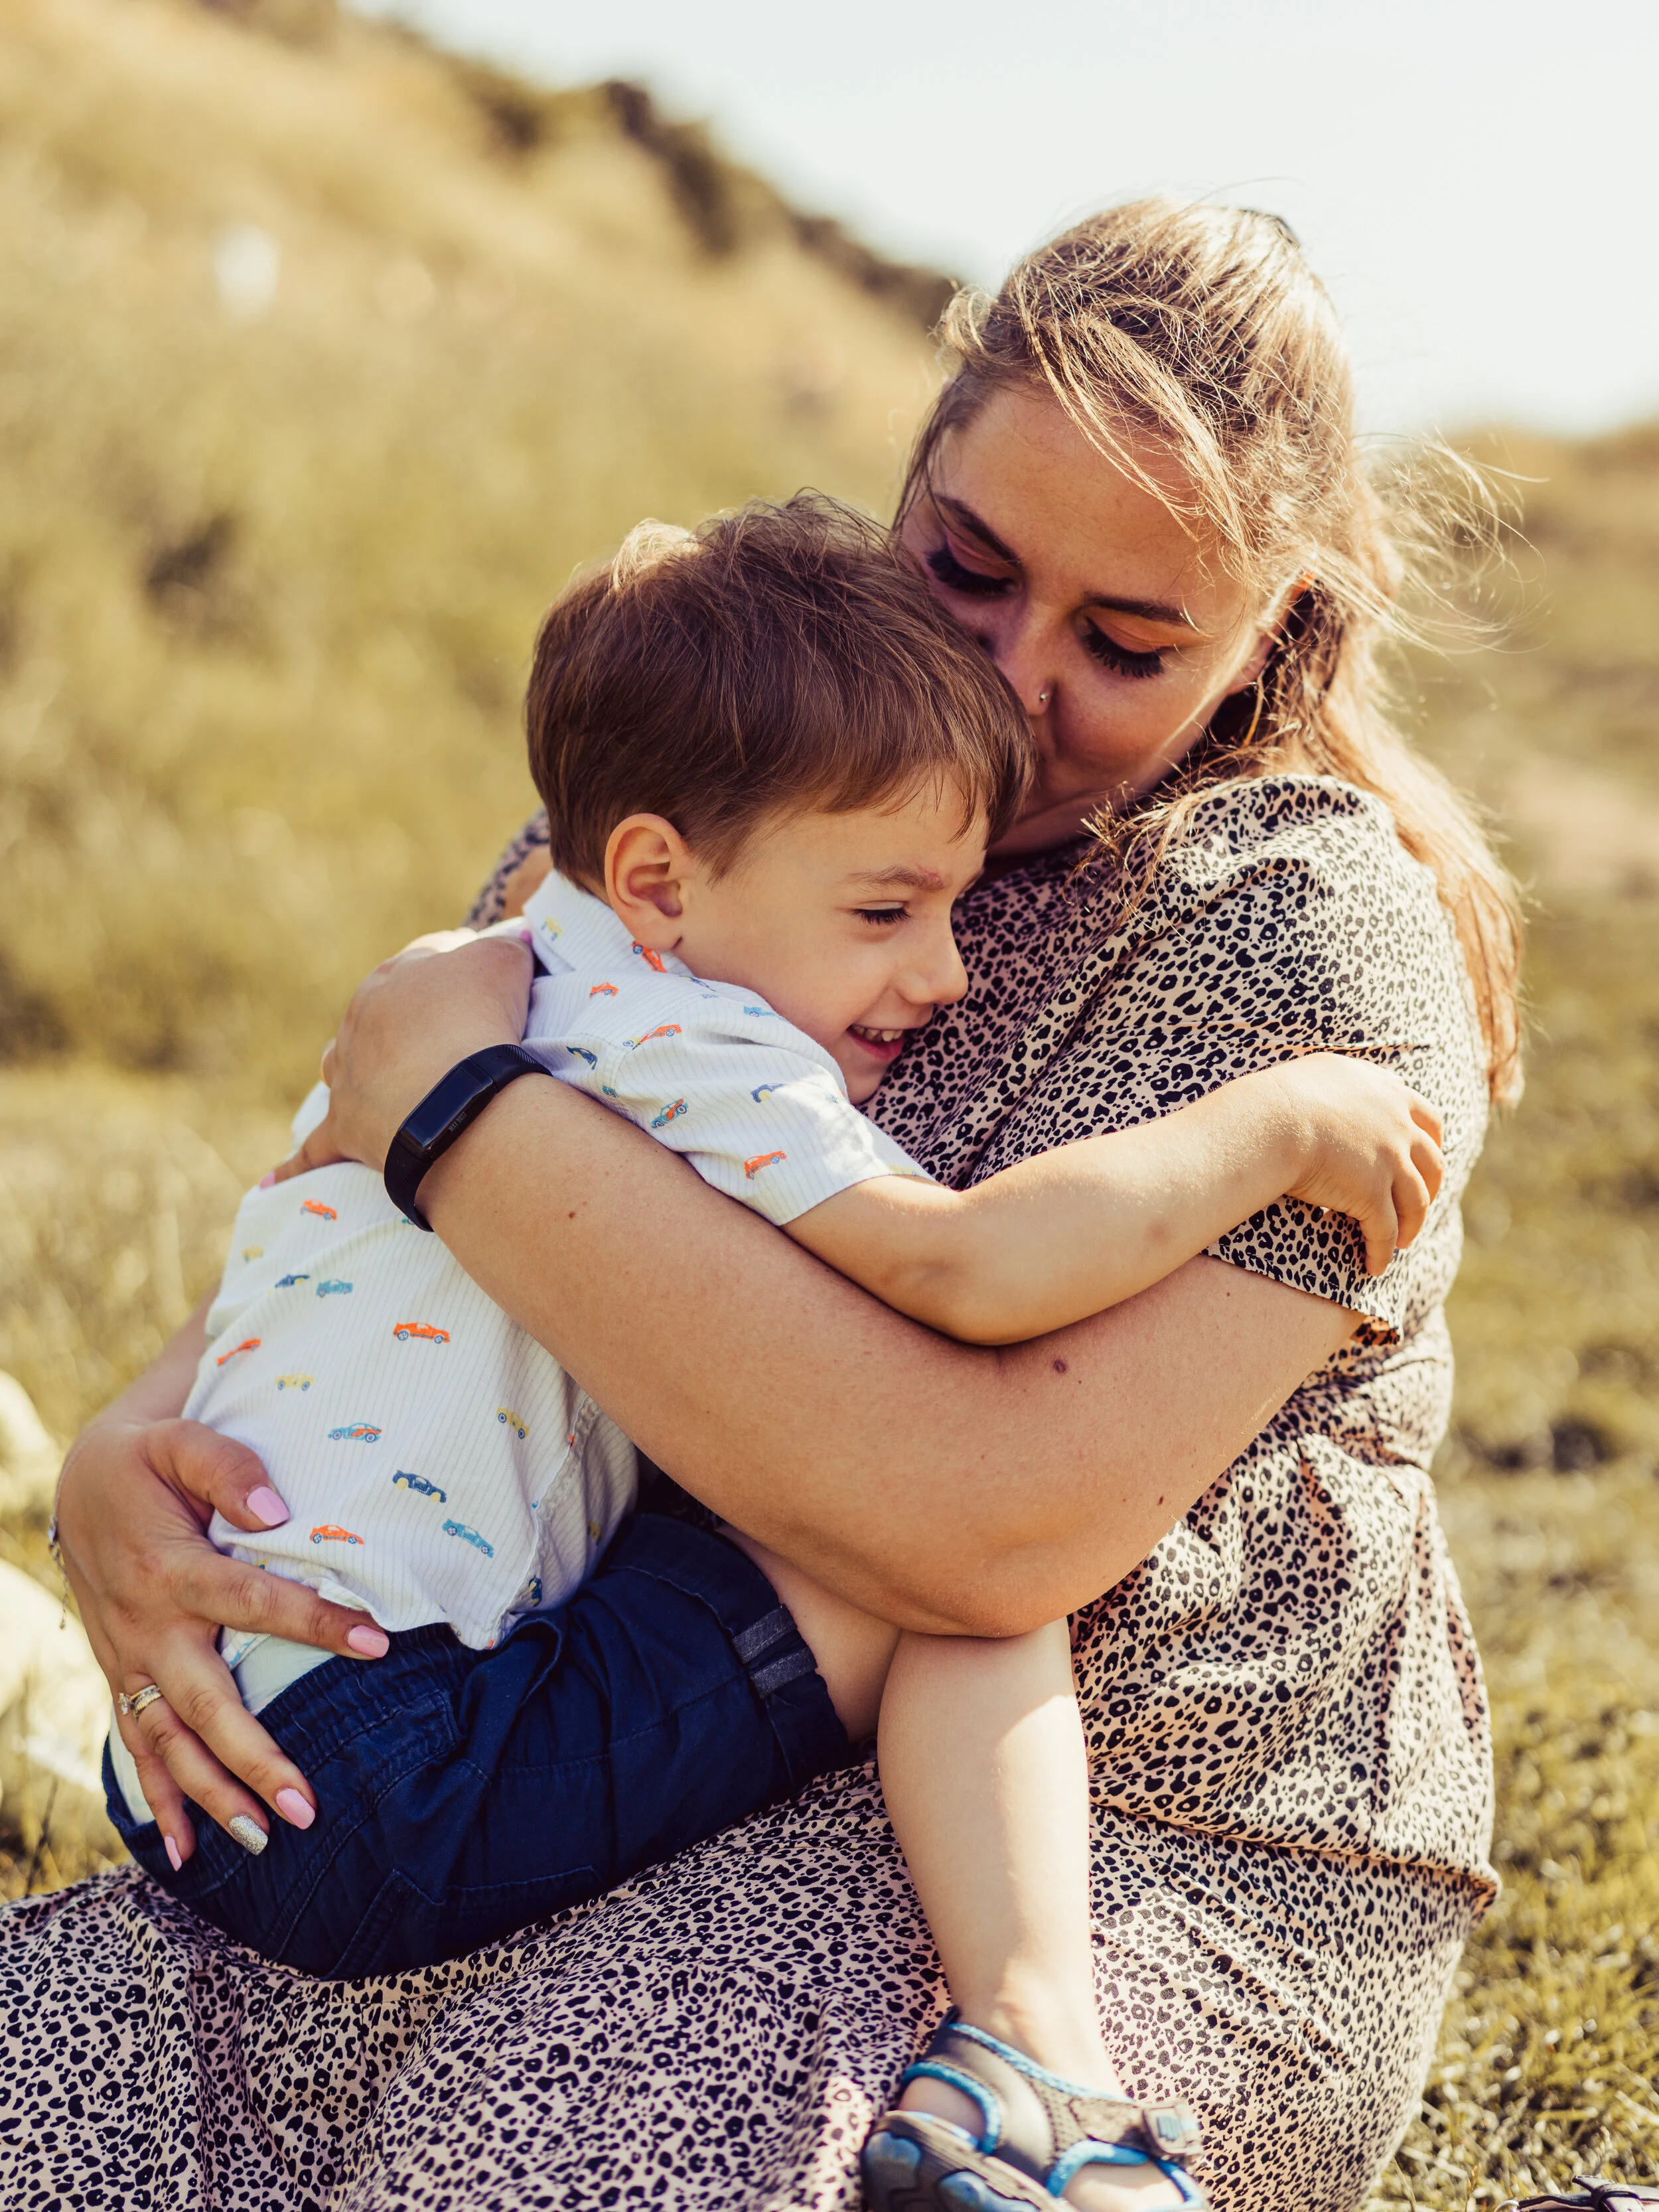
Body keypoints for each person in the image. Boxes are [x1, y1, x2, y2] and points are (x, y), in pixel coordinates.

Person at [36, 199, 1520, 2212]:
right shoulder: (732, 773)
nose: (1010, 686)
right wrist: (120, 1463)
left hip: (1145, 1840)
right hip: (573, 1716)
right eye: (968, 569)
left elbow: (985, 1529)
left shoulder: (1309, 932)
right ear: (906, 471)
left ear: (1274, 629)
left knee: (508, 2168)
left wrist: (454, 1092)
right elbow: (382, 1274)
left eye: (1126, 642)